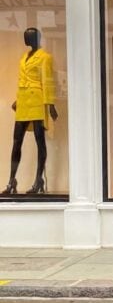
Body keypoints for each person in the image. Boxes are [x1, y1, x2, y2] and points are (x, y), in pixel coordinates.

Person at [1, 28, 57, 196]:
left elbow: (47, 81)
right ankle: (12, 180)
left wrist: (50, 104)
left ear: (37, 38)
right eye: (25, 36)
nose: (27, 38)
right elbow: (23, 80)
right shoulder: (23, 58)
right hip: (24, 102)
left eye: (30, 36)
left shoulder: (45, 58)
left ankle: (38, 179)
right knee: (16, 141)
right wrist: (18, 100)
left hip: (37, 102)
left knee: (40, 142)